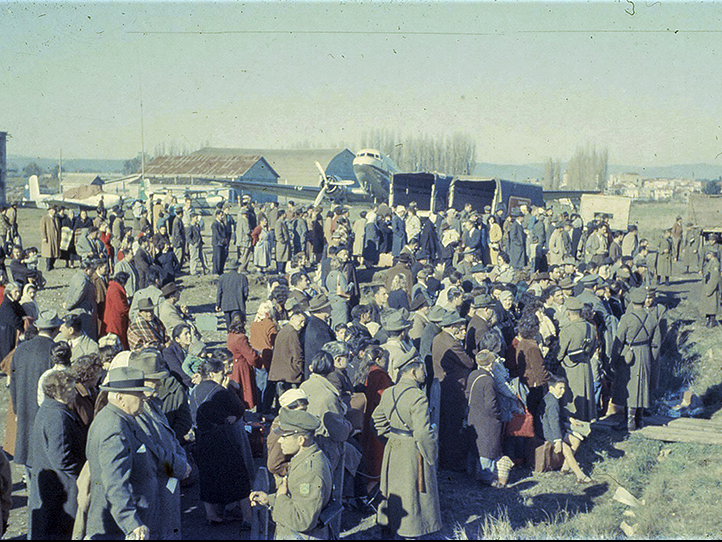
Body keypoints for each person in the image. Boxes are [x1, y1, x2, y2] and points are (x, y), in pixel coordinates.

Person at [372, 350, 442, 538]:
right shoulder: (418, 397)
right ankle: (411, 530)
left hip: (393, 447)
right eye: (422, 369)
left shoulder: (389, 393)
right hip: (413, 449)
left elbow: (376, 419)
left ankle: (391, 526)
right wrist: (431, 455)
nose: (424, 373)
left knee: (393, 490)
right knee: (413, 494)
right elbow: (422, 433)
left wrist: (390, 436)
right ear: (412, 372)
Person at [84, 367, 156, 540]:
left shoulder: (113, 419)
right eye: (138, 394)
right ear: (120, 398)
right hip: (117, 527)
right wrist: (131, 523)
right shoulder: (115, 429)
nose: (143, 398)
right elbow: (114, 482)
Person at [250, 409, 333, 540]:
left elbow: (303, 520)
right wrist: (270, 499)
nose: (279, 441)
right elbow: (296, 499)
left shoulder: (309, 472)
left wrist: (281, 497)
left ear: (300, 440)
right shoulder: (304, 457)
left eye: (284, 437)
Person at [189, 357, 251, 526]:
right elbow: (239, 408)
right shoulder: (220, 391)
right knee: (239, 475)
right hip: (221, 439)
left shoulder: (194, 391)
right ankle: (247, 516)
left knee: (208, 478)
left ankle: (212, 515)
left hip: (202, 439)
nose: (224, 376)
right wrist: (227, 389)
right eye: (221, 373)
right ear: (212, 374)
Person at [28, 369, 86, 540]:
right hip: (62, 488)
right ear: (59, 392)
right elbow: (62, 459)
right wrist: (83, 469)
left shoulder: (48, 409)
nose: (75, 392)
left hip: (51, 488)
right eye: (71, 389)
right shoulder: (58, 416)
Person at [10, 310, 62, 473]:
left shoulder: (21, 349)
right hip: (45, 410)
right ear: (56, 329)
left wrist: (16, 409)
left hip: (24, 406)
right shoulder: (55, 351)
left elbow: (13, 381)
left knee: (28, 454)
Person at [432, 311, 475, 470]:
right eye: (459, 326)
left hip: (442, 385)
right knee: (454, 425)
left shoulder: (438, 338)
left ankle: (445, 459)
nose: (462, 328)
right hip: (454, 389)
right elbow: (469, 363)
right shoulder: (454, 344)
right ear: (452, 327)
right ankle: (453, 462)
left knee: (445, 425)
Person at [611, 287, 658, 431]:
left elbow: (618, 342)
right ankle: (639, 420)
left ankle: (629, 422)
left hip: (628, 354)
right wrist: (652, 359)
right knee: (642, 386)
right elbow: (656, 343)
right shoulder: (652, 318)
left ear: (631, 301)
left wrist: (613, 360)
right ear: (644, 301)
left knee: (629, 387)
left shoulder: (626, 318)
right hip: (645, 353)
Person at [466, 350, 514, 487]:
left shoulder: (473, 374)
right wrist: (498, 415)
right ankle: (486, 479)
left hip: (474, 417)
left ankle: (473, 474)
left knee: (477, 448)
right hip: (487, 421)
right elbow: (491, 404)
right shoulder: (489, 380)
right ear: (490, 365)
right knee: (488, 450)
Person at [537, 375, 591, 483]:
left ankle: (565, 468)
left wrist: (569, 418)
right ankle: (580, 476)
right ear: (551, 388)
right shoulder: (552, 403)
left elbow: (555, 416)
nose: (563, 391)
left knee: (576, 441)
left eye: (564, 388)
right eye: (560, 388)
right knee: (566, 449)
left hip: (555, 428)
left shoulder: (551, 398)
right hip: (548, 432)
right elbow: (553, 422)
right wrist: (557, 440)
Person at [557, 297, 597, 422]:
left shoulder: (567, 329)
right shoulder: (590, 327)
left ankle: (575, 424)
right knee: (586, 393)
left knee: (573, 396)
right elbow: (593, 347)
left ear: (568, 312)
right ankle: (587, 420)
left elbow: (559, 353)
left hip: (570, 367)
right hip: (585, 364)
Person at [268, 307, 307, 403]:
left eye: (304, 322)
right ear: (292, 318)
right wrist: (299, 369)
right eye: (301, 321)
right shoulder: (293, 333)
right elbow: (297, 354)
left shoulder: (285, 330)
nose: (302, 325)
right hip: (290, 374)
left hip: (281, 372)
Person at [227, 313, 262, 410]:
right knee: (244, 392)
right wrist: (259, 361)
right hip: (242, 367)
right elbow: (250, 356)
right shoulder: (240, 337)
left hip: (234, 365)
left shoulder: (231, 334)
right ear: (244, 322)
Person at [63, 260, 98, 340]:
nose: (93, 271)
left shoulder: (77, 276)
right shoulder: (83, 280)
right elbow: (77, 297)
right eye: (92, 269)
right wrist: (68, 306)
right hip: (82, 311)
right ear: (86, 270)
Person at [216, 261, 250, 329]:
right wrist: (243, 300)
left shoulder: (222, 277)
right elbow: (245, 293)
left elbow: (219, 292)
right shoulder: (242, 277)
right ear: (237, 267)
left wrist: (218, 304)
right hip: (238, 305)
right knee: (238, 326)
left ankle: (229, 337)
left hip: (226, 305)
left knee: (229, 326)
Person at [103, 271, 130, 348]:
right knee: (117, 340)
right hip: (115, 320)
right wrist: (128, 310)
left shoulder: (113, 287)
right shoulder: (115, 289)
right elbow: (121, 307)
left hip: (114, 318)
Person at [40, 206, 61, 272]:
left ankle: (52, 265)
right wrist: (44, 237)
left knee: (55, 253)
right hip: (49, 238)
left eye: (54, 210)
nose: (54, 211)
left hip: (55, 238)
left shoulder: (56, 219)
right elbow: (42, 228)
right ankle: (48, 266)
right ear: (49, 210)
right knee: (49, 253)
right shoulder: (45, 218)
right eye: (52, 210)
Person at [212, 209, 229, 275]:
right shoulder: (215, 224)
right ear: (217, 215)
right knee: (217, 258)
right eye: (221, 215)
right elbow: (216, 234)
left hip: (223, 243)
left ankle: (221, 271)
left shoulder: (222, 223)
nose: (222, 217)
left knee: (222, 257)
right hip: (217, 243)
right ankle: (216, 271)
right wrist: (222, 240)